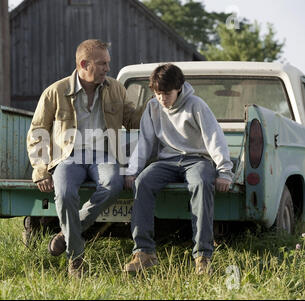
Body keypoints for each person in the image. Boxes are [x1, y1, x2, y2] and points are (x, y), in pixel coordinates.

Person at [26, 39, 142, 277]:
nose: (107, 69)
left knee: (113, 185)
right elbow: (37, 131)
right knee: (65, 193)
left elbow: (132, 119)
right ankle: (75, 259)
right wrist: (41, 169)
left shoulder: (116, 88)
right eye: (102, 64)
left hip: (104, 154)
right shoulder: (56, 91)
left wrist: (157, 108)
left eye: (108, 63)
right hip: (68, 156)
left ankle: (66, 233)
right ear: (83, 64)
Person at [123, 63, 233, 275]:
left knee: (201, 183)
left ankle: (203, 256)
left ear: (179, 88)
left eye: (166, 93)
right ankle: (144, 253)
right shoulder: (153, 107)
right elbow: (145, 142)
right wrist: (132, 171)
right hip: (167, 161)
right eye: (157, 93)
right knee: (142, 182)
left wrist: (224, 171)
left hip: (197, 159)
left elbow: (214, 139)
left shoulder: (196, 105)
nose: (162, 98)